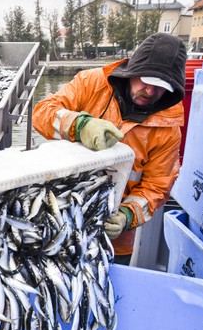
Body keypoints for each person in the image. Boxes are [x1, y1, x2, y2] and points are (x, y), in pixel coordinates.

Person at [32, 32, 187, 265]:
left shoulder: (168, 129)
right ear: (133, 70)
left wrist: (128, 215)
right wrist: (80, 125)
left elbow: (158, 186)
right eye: (147, 81)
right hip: (59, 218)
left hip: (114, 239)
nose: (151, 92)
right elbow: (42, 112)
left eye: (161, 87)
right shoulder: (92, 83)